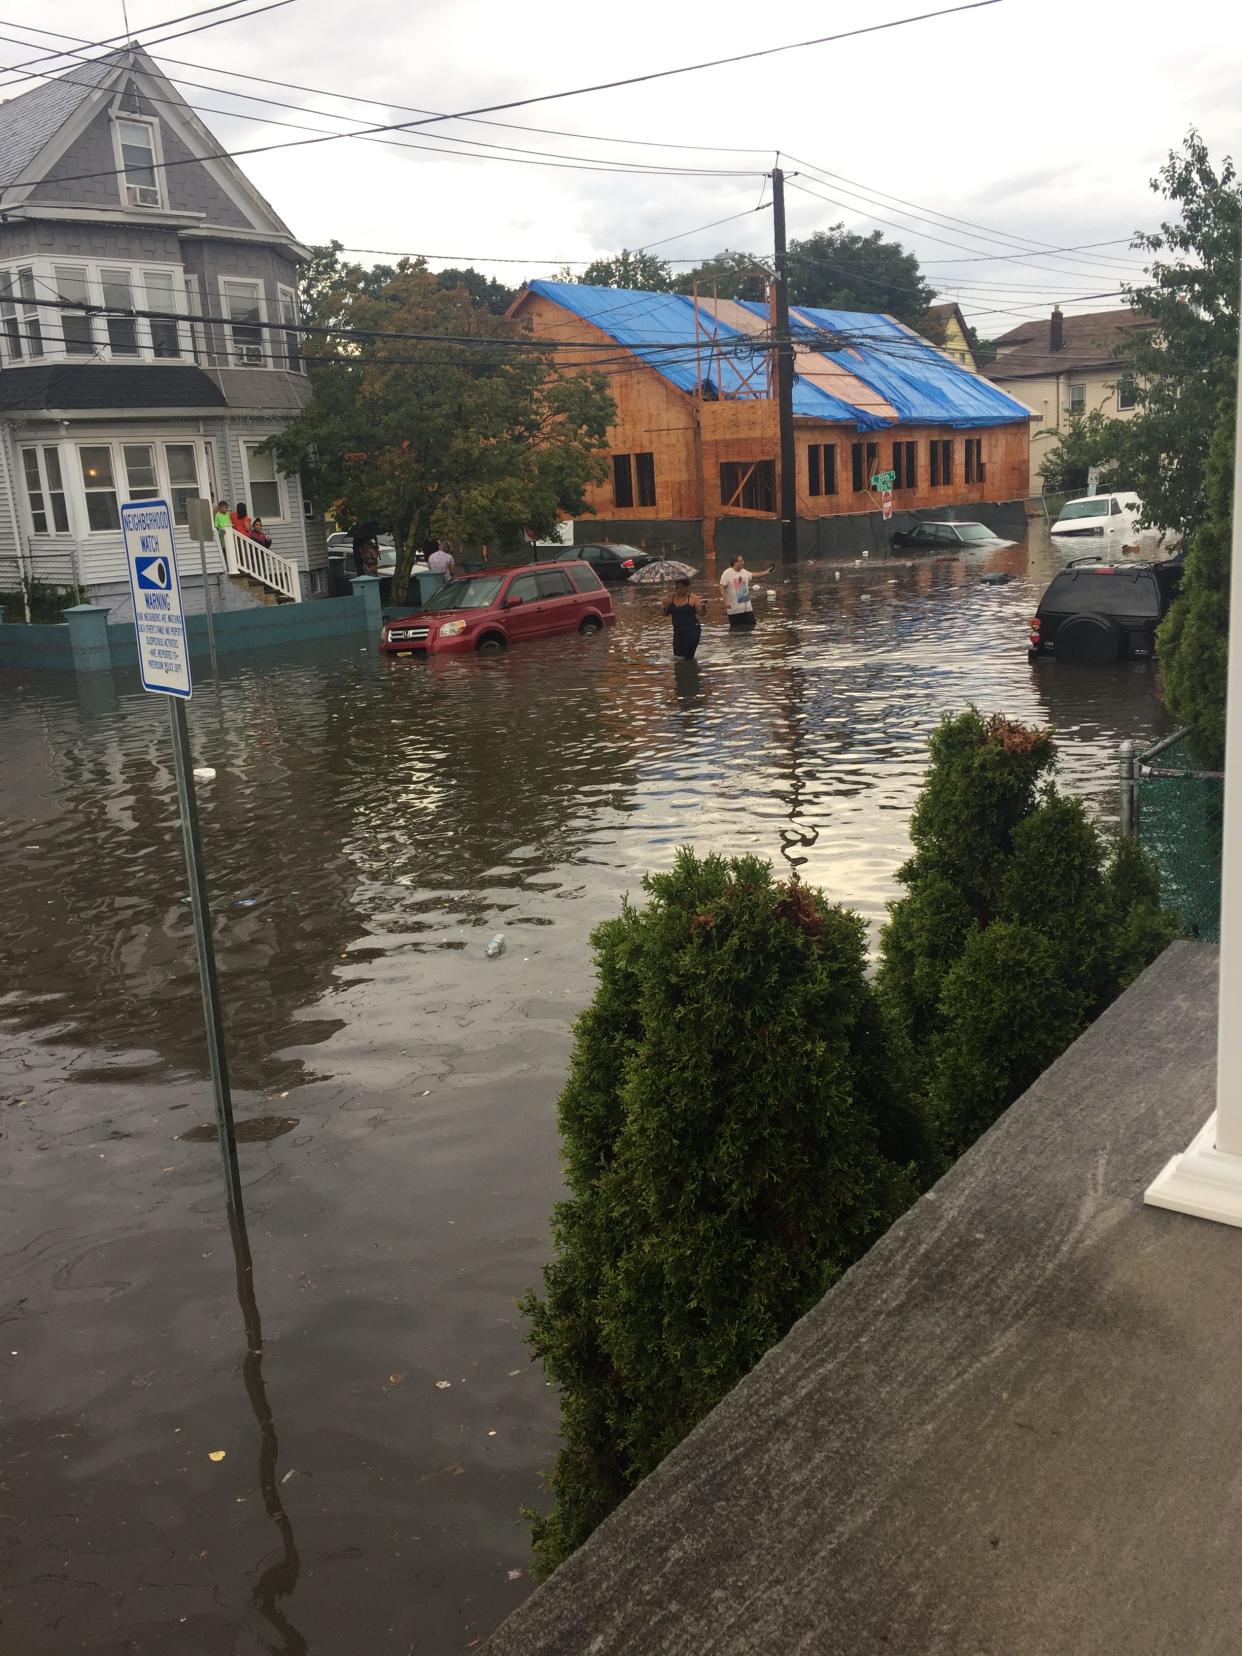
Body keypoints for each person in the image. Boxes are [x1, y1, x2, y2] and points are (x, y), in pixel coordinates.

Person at [719, 554, 773, 630]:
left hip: (747, 608)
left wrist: (765, 572)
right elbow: (722, 587)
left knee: (751, 626)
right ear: (734, 563)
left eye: (743, 561)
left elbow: (752, 575)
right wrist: (726, 601)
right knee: (736, 630)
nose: (743, 562)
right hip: (735, 609)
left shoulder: (743, 571)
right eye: (740, 561)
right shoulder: (727, 573)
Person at [662, 577, 705, 660]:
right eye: (676, 588)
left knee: (688, 657)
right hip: (678, 632)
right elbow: (665, 614)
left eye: (681, 588)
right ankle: (680, 672)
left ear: (687, 587)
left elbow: (702, 614)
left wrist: (703, 607)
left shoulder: (693, 598)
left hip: (692, 631)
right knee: (678, 657)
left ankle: (690, 671)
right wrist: (664, 607)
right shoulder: (670, 598)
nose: (678, 590)